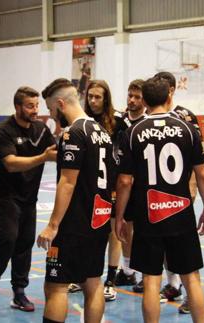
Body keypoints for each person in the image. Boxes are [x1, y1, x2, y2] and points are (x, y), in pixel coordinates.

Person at [115, 77, 204, 323]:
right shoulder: (188, 129)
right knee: (192, 279)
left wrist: (119, 217)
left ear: (145, 101)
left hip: (148, 215)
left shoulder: (133, 132)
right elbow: (202, 174)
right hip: (181, 214)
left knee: (150, 280)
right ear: (169, 97)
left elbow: (125, 181)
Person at [37, 78, 114, 323]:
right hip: (98, 221)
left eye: (51, 110)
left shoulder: (74, 133)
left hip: (74, 224)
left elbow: (67, 182)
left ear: (61, 103)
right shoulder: (102, 132)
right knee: (92, 282)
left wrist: (53, 225)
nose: (52, 116)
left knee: (56, 287)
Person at [0, 86, 57, 312]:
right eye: (30, 106)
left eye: (37, 105)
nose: (35, 110)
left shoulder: (41, 129)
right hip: (6, 196)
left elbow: (56, 151)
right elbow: (10, 163)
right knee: (8, 238)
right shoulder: (2, 131)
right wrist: (44, 157)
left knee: (25, 242)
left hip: (29, 197)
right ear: (17, 106)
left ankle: (19, 292)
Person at [146, 71, 204, 314]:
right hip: (157, 198)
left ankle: (189, 294)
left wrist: (191, 194)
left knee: (184, 254)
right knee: (166, 251)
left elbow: (197, 162)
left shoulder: (185, 117)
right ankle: (173, 285)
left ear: (171, 90)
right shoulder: (148, 120)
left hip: (178, 197)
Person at [82, 79, 123, 301]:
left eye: (98, 97)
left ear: (106, 98)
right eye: (90, 96)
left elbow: (124, 156)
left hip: (112, 187)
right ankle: (85, 275)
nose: (93, 101)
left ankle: (110, 279)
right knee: (88, 230)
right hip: (89, 187)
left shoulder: (117, 122)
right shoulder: (83, 121)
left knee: (113, 233)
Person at [113, 79, 146, 288]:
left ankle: (148, 276)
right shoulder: (119, 122)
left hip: (143, 186)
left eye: (137, 97)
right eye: (130, 95)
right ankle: (127, 271)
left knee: (145, 232)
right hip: (122, 185)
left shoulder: (148, 123)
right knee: (125, 228)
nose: (132, 100)